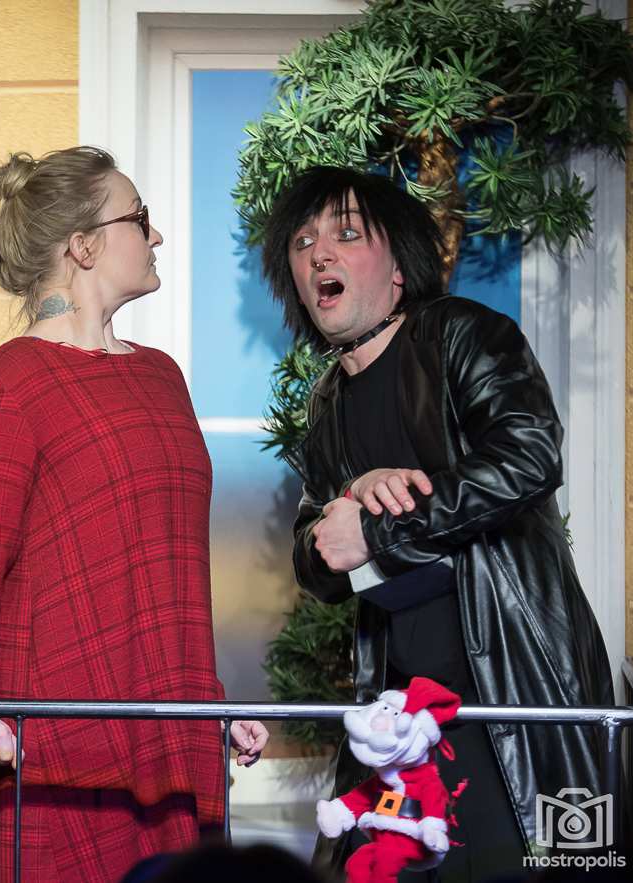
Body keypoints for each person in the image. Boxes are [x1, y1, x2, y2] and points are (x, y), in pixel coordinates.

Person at [262, 166, 614, 880]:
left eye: (346, 233)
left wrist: (378, 530)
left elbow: (528, 456)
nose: (319, 252)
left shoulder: (461, 335)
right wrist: (351, 502)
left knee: (543, 862)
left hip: (511, 689)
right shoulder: (327, 402)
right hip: (402, 714)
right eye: (302, 243)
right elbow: (315, 557)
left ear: (399, 266)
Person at [0, 146, 267, 882]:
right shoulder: (9, 383)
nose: (156, 235)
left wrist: (210, 703)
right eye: (139, 219)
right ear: (83, 247)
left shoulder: (161, 374)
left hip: (168, 728)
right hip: (54, 742)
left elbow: (171, 563)